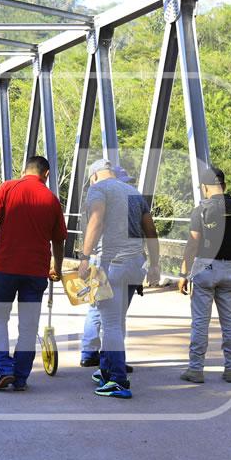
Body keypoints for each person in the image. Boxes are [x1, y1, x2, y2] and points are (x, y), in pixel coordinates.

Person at [0, 156, 66, 392]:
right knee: (28, 325)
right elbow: (58, 241)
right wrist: (58, 267)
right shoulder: (52, 200)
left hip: (5, 267)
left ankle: (5, 370)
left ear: (25, 171)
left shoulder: (8, 187)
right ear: (46, 174)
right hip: (36, 272)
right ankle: (21, 377)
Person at [77, 159, 160, 399]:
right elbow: (151, 231)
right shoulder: (133, 192)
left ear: (94, 176)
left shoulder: (98, 189)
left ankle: (118, 381)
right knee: (116, 318)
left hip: (112, 264)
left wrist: (84, 256)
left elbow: (96, 220)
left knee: (110, 322)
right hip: (136, 266)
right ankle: (107, 370)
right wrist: (154, 264)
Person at [177, 166, 231, 384]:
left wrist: (183, 273)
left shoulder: (201, 210)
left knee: (200, 322)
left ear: (205, 188)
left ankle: (196, 369)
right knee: (229, 322)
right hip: (230, 269)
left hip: (205, 268)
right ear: (224, 186)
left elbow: (193, 243)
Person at [79, 165, 140, 370]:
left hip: (110, 259)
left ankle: (99, 356)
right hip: (107, 258)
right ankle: (110, 363)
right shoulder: (115, 196)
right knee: (109, 314)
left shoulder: (107, 195)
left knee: (102, 310)